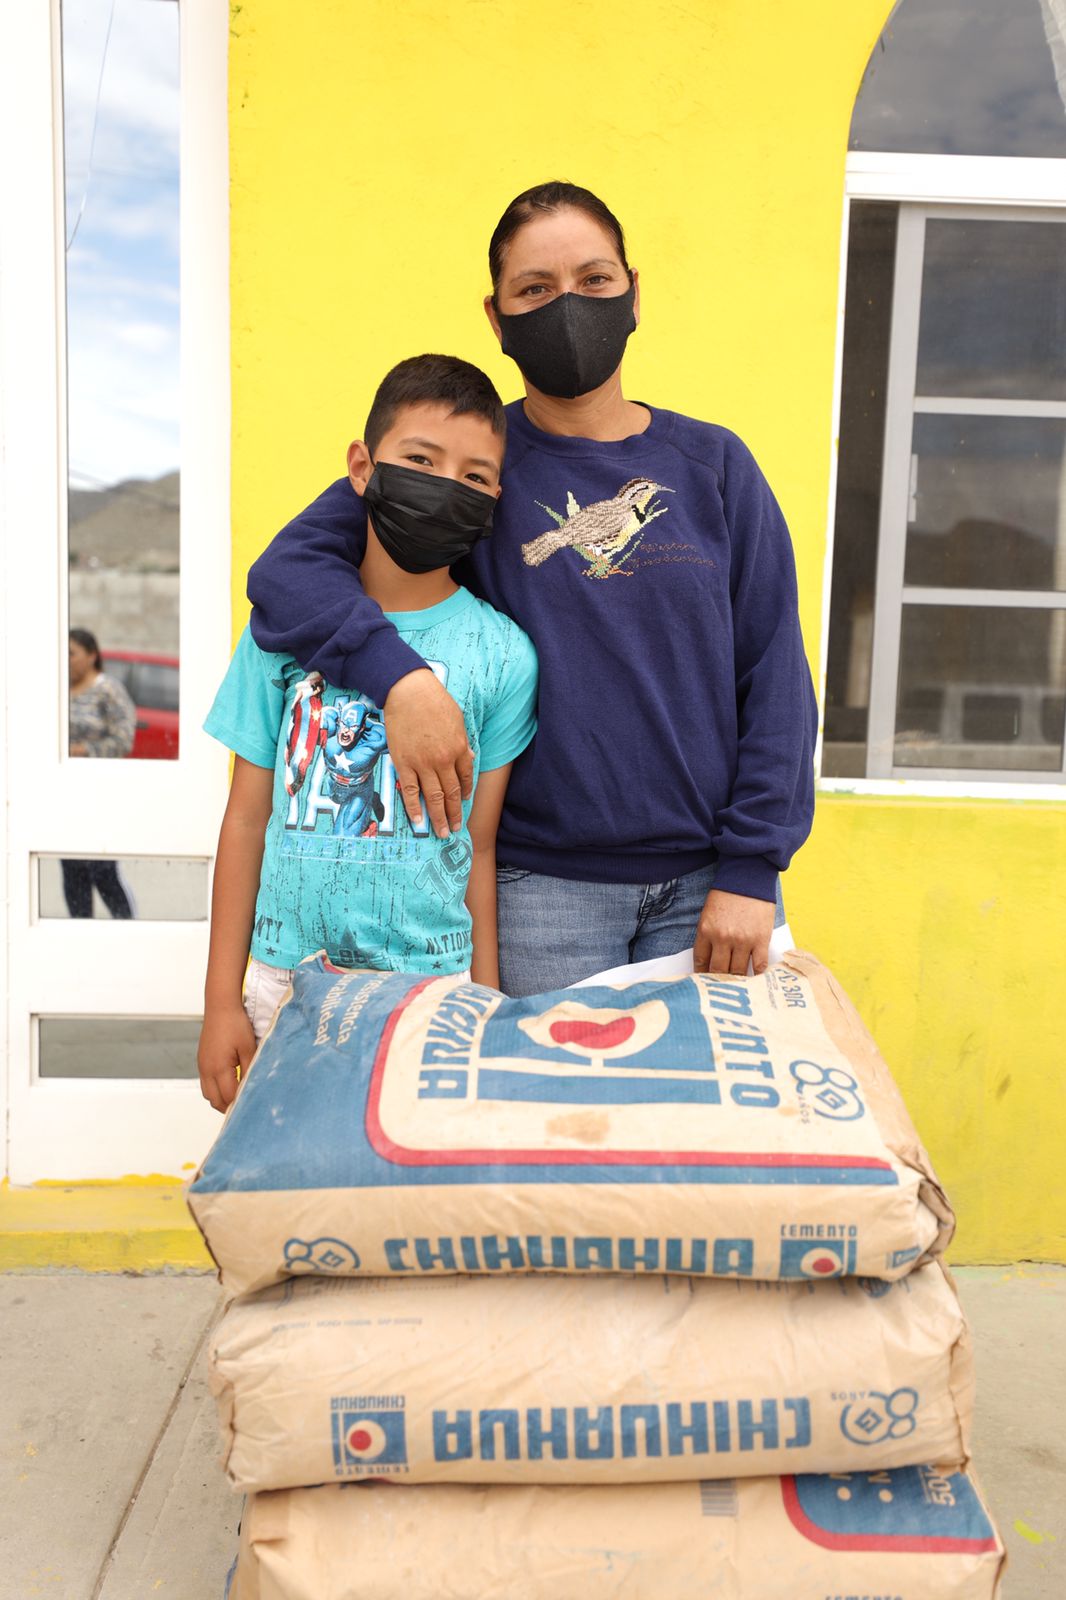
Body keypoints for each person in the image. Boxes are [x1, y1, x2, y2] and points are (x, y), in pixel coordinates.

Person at [247, 181, 817, 997]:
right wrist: (401, 679)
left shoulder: (714, 466)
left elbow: (775, 673)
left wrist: (754, 866)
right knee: (545, 1090)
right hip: (540, 892)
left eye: (594, 279)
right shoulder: (471, 466)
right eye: (536, 289)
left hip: (711, 890)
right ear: (497, 317)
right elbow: (287, 573)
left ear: (633, 294)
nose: (569, 306)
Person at [197, 355, 538, 1111]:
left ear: (494, 499)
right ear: (363, 467)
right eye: (420, 460)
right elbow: (246, 818)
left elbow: (479, 845)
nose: (445, 485)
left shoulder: (505, 655)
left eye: (475, 476)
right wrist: (222, 1001)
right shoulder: (279, 635)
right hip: (284, 982)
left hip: (434, 988)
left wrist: (485, 1003)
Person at [63, 627, 136, 918]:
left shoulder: (108, 690)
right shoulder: (58, 689)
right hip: (68, 793)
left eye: (71, 653)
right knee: (72, 869)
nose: (65, 659)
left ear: (92, 656)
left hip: (101, 791)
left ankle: (127, 926)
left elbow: (123, 739)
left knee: (102, 868)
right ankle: (80, 929)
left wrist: (83, 750)